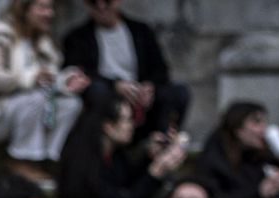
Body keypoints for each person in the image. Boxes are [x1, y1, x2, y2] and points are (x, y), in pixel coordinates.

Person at [0, 0, 88, 182]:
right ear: (24, 10)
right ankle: (20, 161)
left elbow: (46, 80)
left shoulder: (44, 42)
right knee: (35, 99)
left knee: (71, 103)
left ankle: (49, 157)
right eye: (42, 8)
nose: (49, 13)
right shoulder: (1, 36)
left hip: (21, 111)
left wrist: (65, 82)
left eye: (50, 8)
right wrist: (29, 78)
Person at [56, 91, 185, 198]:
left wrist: (149, 157)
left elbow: (131, 184)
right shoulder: (81, 164)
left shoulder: (114, 156)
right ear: (108, 126)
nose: (132, 125)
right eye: (127, 119)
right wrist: (156, 171)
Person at [62, 0, 190, 139]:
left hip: (141, 99)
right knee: (97, 91)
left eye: (107, 1)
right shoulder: (77, 38)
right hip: (107, 98)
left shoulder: (141, 31)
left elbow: (161, 70)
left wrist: (149, 86)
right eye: (94, 2)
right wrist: (115, 85)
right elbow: (77, 74)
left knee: (178, 92)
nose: (101, 6)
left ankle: (161, 143)